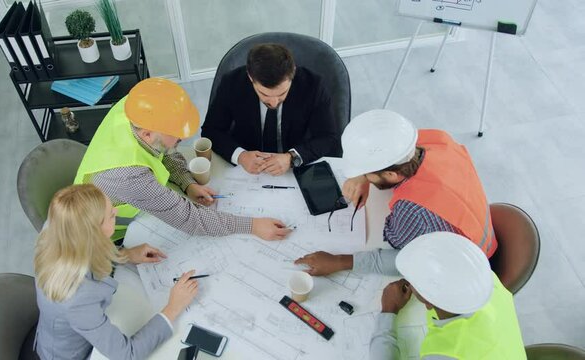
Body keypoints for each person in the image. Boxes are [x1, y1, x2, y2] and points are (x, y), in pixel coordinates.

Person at [74, 77, 290, 241]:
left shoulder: (135, 106)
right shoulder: (129, 177)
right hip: (109, 235)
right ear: (147, 134)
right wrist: (252, 226)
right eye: (175, 134)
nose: (183, 137)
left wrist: (187, 183)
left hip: (125, 199)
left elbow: (164, 150)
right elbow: (190, 219)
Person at [295, 109, 496, 276]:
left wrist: (338, 262)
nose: (364, 176)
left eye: (367, 173)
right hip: (479, 234)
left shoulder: (414, 211)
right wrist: (365, 176)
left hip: (463, 270)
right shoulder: (436, 140)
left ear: (391, 173)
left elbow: (402, 257)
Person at [34, 184, 198, 360]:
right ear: (94, 233)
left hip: (79, 326)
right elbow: (126, 355)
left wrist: (125, 254)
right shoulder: (77, 299)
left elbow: (84, 252)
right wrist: (173, 307)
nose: (116, 212)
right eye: (111, 215)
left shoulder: (58, 226)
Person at [372, 231, 525, 359]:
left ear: (428, 302)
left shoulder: (445, 352)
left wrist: (388, 310)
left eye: (412, 281)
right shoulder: (487, 280)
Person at [201, 43, 342, 176]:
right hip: (246, 164)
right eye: (264, 94)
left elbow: (328, 138)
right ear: (250, 77)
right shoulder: (231, 83)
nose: (274, 103)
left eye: (282, 93)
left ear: (293, 73)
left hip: (295, 166)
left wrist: (291, 158)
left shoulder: (313, 86)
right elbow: (211, 130)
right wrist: (240, 156)